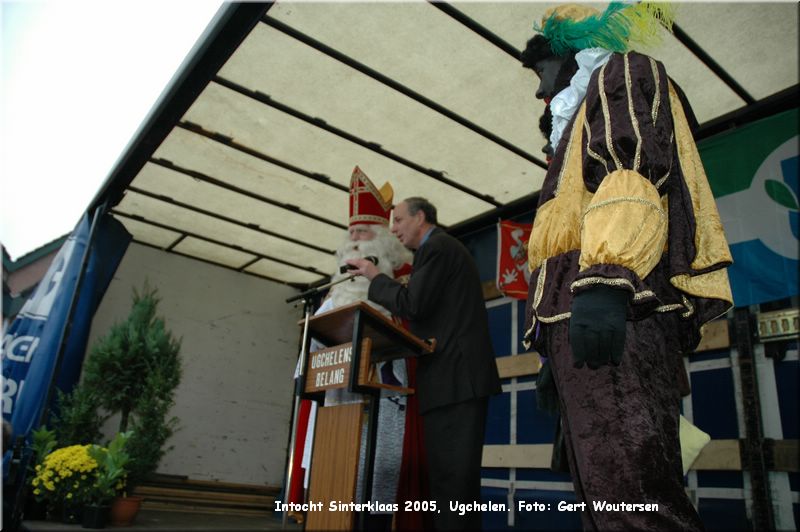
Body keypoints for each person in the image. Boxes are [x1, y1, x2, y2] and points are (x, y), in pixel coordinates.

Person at [519, 3, 733, 530]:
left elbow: (632, 167)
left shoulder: (621, 73)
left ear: (573, 54)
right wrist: (551, 350)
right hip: (580, 313)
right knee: (604, 496)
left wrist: (608, 281)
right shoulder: (570, 132)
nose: (539, 90)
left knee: (632, 496)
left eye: (543, 69)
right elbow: (563, 235)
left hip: (619, 303)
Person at [347, 197, 502, 530]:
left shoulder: (439, 248)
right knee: (450, 484)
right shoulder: (439, 251)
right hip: (451, 381)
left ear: (420, 217)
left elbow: (412, 305)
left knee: (453, 485)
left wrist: (375, 276)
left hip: (455, 381)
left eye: (399, 220)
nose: (393, 228)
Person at [289, 166, 428, 530]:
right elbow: (315, 334)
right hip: (334, 396)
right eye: (351, 232)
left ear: (382, 238)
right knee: (334, 476)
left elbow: (408, 327)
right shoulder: (335, 289)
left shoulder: (406, 278)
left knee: (376, 480)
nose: (354, 239)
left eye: (363, 231)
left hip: (381, 395)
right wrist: (305, 368)